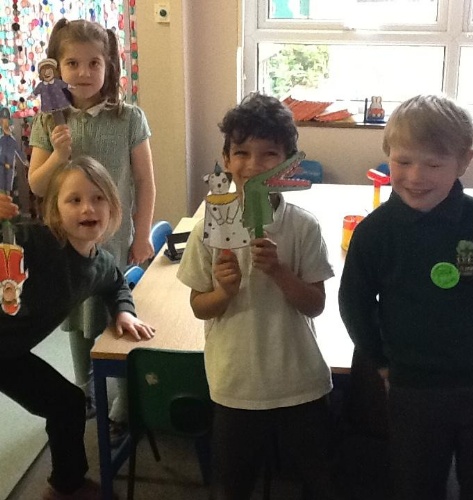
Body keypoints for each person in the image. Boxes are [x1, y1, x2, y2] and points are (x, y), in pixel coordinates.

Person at [338, 94, 473, 500]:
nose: (415, 176)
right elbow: (354, 303)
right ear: (387, 155)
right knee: (416, 483)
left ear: (464, 161)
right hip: (413, 387)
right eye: (403, 161)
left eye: (434, 164)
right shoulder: (375, 232)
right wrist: (381, 363)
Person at [177, 93, 336, 500]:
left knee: (321, 480)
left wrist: (280, 271)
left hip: (299, 380)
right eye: (242, 153)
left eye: (269, 154)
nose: (253, 164)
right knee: (232, 487)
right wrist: (224, 291)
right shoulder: (208, 227)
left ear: (289, 162)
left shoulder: (303, 227)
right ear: (226, 159)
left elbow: (315, 305)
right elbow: (199, 307)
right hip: (236, 384)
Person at [28, 18, 156, 441]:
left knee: (118, 316)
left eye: (94, 63)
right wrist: (57, 154)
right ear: (55, 68)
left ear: (109, 66)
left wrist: (142, 235)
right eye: (72, 63)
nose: (83, 72)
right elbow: (37, 185)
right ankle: (85, 391)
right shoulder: (48, 122)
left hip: (115, 239)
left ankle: (124, 403)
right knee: (79, 319)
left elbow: (145, 182)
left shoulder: (129, 117)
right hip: (67, 244)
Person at [0, 155, 155, 500]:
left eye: (98, 198)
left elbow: (117, 284)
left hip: (9, 354)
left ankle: (65, 486)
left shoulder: (100, 264)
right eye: (74, 200)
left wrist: (124, 312)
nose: (88, 208)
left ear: (113, 208)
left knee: (68, 403)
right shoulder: (32, 241)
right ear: (55, 211)